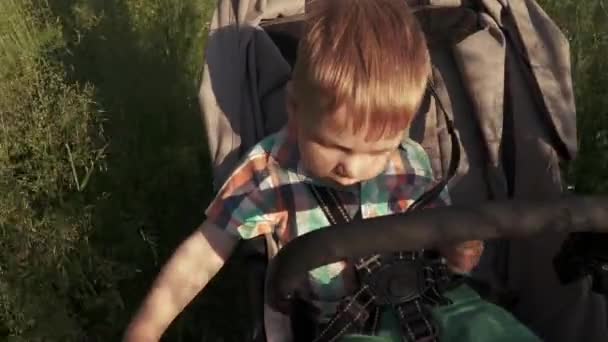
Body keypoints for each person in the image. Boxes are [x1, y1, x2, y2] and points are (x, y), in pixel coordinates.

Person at [123, 0, 535, 341]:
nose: (353, 166)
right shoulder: (272, 173)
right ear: (295, 110)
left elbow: (446, 240)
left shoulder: (408, 161)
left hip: (433, 304)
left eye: (376, 148)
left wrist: (460, 250)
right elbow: (202, 254)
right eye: (334, 145)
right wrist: (146, 329)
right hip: (344, 326)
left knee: (496, 330)